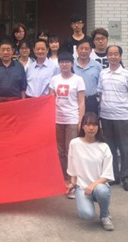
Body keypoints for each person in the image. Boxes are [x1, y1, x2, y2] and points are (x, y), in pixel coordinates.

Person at [98, 45, 128, 192]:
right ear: (107, 57)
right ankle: (113, 176)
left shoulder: (127, 74)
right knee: (110, 148)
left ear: (120, 56)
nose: (113, 57)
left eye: (116, 54)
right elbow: (100, 93)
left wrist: (123, 103)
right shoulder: (103, 73)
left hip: (121, 117)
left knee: (124, 148)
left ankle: (127, 178)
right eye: (110, 54)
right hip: (105, 116)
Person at [66, 112, 115, 231]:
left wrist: (93, 185)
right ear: (82, 126)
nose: (91, 128)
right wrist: (72, 183)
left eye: (94, 125)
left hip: (99, 186)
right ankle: (91, 202)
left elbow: (107, 175)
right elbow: (72, 167)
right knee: (86, 215)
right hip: (82, 187)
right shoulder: (74, 143)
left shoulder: (104, 147)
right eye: (88, 124)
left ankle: (104, 215)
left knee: (102, 191)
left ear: (98, 127)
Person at [50, 52, 86, 197]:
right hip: (57, 119)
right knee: (59, 152)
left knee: (70, 151)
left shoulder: (78, 80)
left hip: (72, 119)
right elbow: (50, 99)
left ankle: (73, 182)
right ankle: (62, 180)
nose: (64, 64)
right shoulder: (54, 79)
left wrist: (81, 120)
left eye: (67, 62)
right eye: (62, 62)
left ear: (72, 63)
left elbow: (81, 101)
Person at [0, 38, 27, 103]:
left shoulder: (19, 66)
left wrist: (23, 102)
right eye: (3, 50)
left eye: (8, 50)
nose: (5, 52)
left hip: (15, 102)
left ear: (13, 51)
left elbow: (23, 88)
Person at [73, 39, 102, 115]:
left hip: (91, 101)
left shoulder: (97, 66)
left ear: (91, 50)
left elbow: (101, 85)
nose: (84, 51)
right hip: (74, 101)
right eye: (81, 48)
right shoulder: (71, 65)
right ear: (77, 50)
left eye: (86, 49)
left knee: (91, 122)